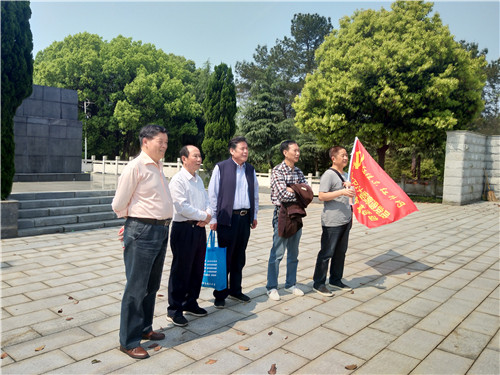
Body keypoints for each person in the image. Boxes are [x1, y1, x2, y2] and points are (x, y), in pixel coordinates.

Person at [112, 124, 173, 360]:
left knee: (152, 285)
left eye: (166, 142)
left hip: (160, 229)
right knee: (136, 288)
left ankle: (145, 328)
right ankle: (128, 341)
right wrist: (132, 223)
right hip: (143, 231)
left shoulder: (157, 166)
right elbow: (119, 203)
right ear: (145, 142)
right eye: (161, 142)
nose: (165, 146)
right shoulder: (135, 167)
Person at [208, 136, 259, 309]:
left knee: (239, 256)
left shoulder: (250, 170)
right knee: (225, 258)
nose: (245, 151)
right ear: (232, 151)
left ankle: (236, 290)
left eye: (247, 149)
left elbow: (255, 194)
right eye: (242, 149)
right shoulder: (221, 168)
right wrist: (213, 217)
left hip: (244, 219)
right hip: (226, 219)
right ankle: (220, 294)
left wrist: (254, 215)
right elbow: (213, 194)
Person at [167, 145, 212, 327]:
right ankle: (175, 309)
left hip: (199, 229)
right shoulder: (178, 181)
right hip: (183, 229)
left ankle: (191, 302)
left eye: (200, 156)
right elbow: (181, 206)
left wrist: (208, 215)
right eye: (195, 156)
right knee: (181, 270)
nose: (199, 159)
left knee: (197, 268)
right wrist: (204, 216)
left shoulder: (198, 180)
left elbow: (207, 201)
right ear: (184, 158)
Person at [266, 140, 308, 301]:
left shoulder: (298, 172)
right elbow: (282, 195)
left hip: (297, 215)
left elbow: (307, 195)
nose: (298, 153)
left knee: (294, 253)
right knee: (277, 253)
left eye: (299, 150)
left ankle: (291, 283)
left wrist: (293, 189)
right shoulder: (277, 171)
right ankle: (271, 287)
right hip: (282, 215)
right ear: (285, 152)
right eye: (295, 150)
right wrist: (298, 190)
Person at [312, 146, 356, 297]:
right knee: (326, 252)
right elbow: (322, 196)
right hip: (332, 221)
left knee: (340, 252)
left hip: (345, 219)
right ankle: (319, 283)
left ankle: (336, 279)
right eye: (342, 155)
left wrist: (350, 192)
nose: (345, 158)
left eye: (346, 156)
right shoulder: (329, 175)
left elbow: (349, 198)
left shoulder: (346, 175)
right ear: (333, 158)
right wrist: (342, 191)